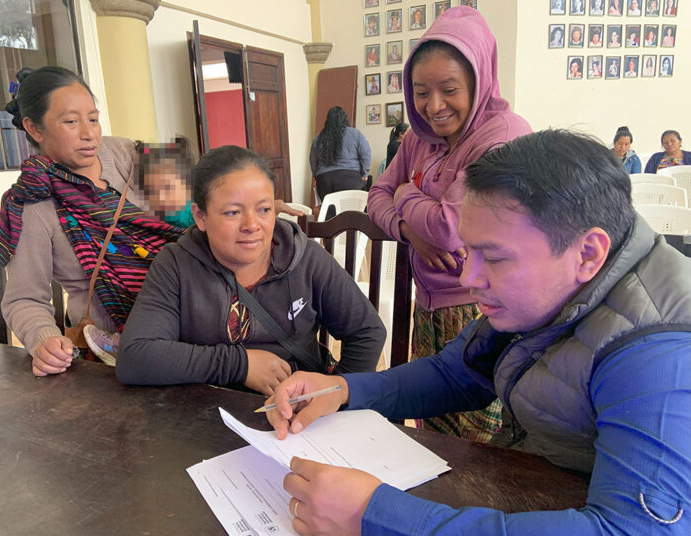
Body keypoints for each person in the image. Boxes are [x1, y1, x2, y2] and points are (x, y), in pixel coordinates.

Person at [267, 129, 691, 536]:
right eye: (468, 251)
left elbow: (635, 529)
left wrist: (377, 517)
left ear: (587, 253)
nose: (469, 277)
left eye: (495, 257)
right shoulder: (557, 291)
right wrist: (342, 390)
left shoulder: (660, 354)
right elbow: (456, 373)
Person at [367, 6, 531, 443]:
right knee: (433, 434)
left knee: (481, 443)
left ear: (479, 80)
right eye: (421, 92)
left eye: (449, 89)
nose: (434, 106)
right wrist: (409, 232)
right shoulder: (418, 138)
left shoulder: (502, 136)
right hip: (428, 305)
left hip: (484, 311)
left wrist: (405, 193)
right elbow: (375, 196)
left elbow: (450, 228)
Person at [116, 145, 385, 395]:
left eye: (264, 209)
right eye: (233, 213)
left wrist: (335, 397)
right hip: (204, 417)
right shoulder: (176, 264)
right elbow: (136, 357)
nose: (252, 225)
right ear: (200, 216)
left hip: (295, 418)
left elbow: (367, 332)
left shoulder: (306, 259)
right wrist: (239, 364)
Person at [0, 66, 185, 376]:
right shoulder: (31, 203)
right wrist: (44, 339)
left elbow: (189, 211)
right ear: (34, 129)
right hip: (111, 354)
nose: (89, 134)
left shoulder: (127, 153)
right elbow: (24, 298)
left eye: (93, 119)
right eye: (71, 122)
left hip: (187, 320)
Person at [310, 106, 371, 204]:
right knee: (350, 210)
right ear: (345, 119)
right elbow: (366, 154)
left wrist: (317, 176)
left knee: (330, 210)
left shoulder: (319, 137)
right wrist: (365, 173)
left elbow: (313, 160)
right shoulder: (356, 134)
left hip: (325, 181)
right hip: (351, 180)